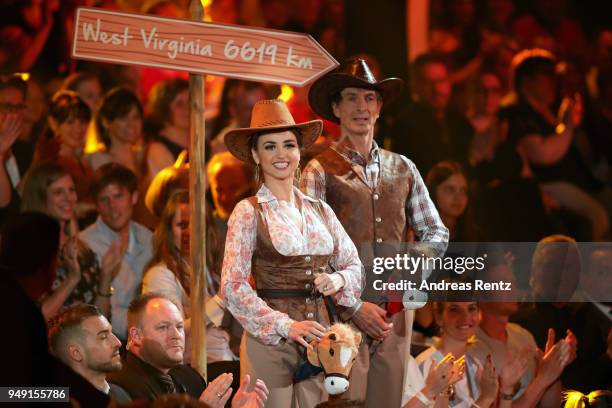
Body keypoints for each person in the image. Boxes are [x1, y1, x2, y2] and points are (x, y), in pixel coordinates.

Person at [302, 58, 448, 407]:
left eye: (369, 98)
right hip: (341, 316)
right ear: (336, 108)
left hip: (395, 314)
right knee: (344, 402)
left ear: (379, 108)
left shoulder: (404, 167)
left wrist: (410, 273)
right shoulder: (319, 170)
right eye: (351, 98)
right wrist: (353, 306)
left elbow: (435, 232)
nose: (361, 107)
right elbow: (309, 251)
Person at [221, 99, 363, 407]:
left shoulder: (320, 209)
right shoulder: (248, 212)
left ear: (299, 152)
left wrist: (337, 280)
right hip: (270, 343)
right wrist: (285, 325)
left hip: (321, 342)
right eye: (270, 147)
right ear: (256, 155)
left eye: (288, 145)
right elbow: (233, 287)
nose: (281, 154)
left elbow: (353, 265)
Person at [0, 212, 111, 407]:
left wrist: (102, 403)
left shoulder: (15, 300)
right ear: (48, 265)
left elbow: (49, 370)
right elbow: (13, 394)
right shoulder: (16, 312)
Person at [108, 293, 269, 407]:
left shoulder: (190, 377)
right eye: (163, 328)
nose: (176, 335)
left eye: (179, 326)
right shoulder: (120, 385)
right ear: (136, 335)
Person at [143, 190, 235, 364]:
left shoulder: (211, 270)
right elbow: (169, 334)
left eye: (197, 223)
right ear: (169, 231)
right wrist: (221, 299)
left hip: (227, 362)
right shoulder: (161, 275)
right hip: (193, 371)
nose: (190, 232)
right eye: (182, 224)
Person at [472, 254, 574, 408]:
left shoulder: (522, 335)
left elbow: (550, 405)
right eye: (502, 284)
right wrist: (542, 379)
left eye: (513, 283)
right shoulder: (471, 346)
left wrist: (553, 370)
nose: (512, 289)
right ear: (480, 294)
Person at [20, 162, 112, 321]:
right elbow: (35, 319)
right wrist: (72, 279)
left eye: (71, 190)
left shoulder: (81, 247)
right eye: (58, 192)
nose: (69, 198)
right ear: (40, 198)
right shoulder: (29, 251)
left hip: (88, 341)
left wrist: (106, 277)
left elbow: (100, 318)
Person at [80, 163, 153, 341]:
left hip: (151, 336)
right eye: (104, 199)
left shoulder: (149, 238)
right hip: (108, 341)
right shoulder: (85, 244)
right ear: (96, 205)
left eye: (118, 196)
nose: (112, 206)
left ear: (134, 197)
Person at [390, 54, 474, 176]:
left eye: (441, 81)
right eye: (427, 82)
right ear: (415, 85)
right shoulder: (404, 126)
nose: (436, 89)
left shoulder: (459, 120)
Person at [48, 304, 131, 404]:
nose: (117, 342)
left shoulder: (120, 394)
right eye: (104, 336)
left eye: (111, 332)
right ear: (76, 353)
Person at [34, 90, 95, 216]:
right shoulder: (49, 159)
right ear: (53, 122)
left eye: (83, 122)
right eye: (70, 122)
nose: (78, 128)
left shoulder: (84, 162)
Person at [86, 87, 145, 175]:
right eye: (123, 117)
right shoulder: (98, 160)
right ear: (105, 122)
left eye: (136, 117)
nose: (131, 124)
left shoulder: (145, 157)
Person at [145, 78, 189, 178]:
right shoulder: (158, 151)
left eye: (191, 101)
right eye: (179, 104)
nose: (188, 108)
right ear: (164, 109)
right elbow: (170, 190)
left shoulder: (201, 141)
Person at [426, 161, 481, 241]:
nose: (458, 198)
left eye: (463, 191)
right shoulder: (413, 235)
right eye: (450, 189)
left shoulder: (475, 236)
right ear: (433, 191)